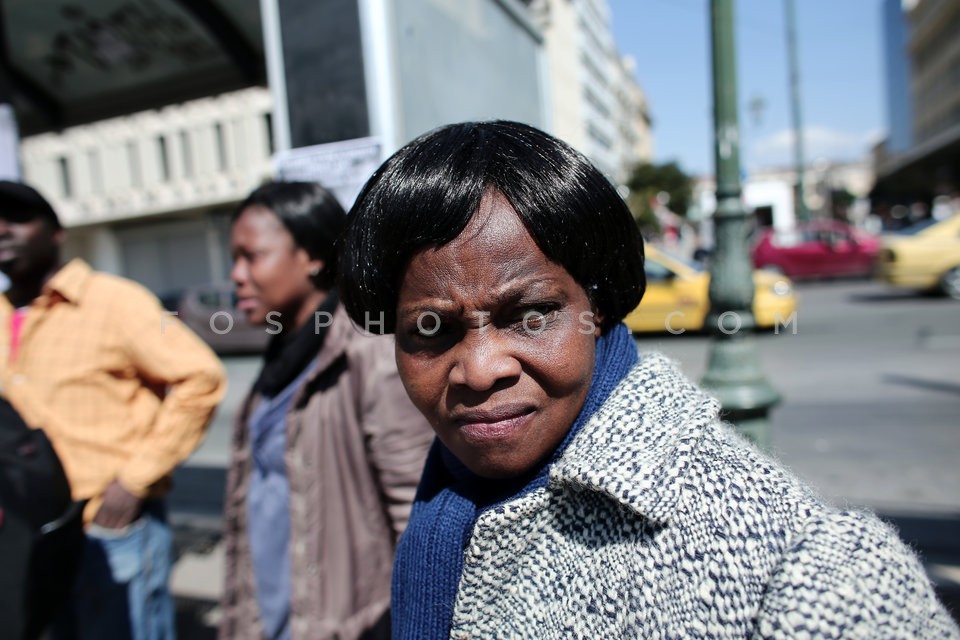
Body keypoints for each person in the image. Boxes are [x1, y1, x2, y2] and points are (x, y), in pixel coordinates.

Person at [336, 121, 960, 638]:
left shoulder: (791, 567)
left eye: (530, 316)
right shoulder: (450, 500)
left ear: (597, 304)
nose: (479, 369)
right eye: (428, 328)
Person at [0, 180, 227, 640]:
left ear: (56, 230)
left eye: (18, 217)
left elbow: (200, 379)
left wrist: (134, 481)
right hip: (31, 535)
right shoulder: (3, 313)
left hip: (109, 526)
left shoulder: (114, 301)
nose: (3, 230)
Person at [219, 182, 433, 640]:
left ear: (312, 256)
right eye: (234, 258)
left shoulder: (370, 353)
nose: (236, 274)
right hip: (273, 616)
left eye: (251, 256)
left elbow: (413, 514)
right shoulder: (282, 355)